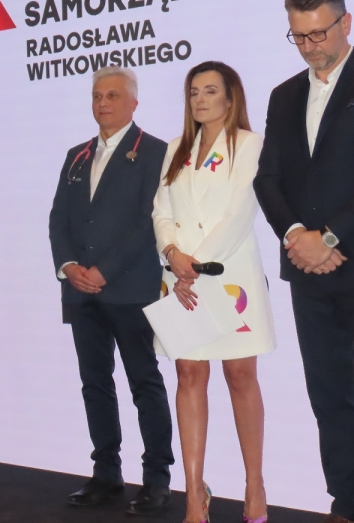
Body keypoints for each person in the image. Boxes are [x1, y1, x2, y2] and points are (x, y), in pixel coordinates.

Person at [153, 62, 275, 523]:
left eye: (209, 91)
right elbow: (160, 209)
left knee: (241, 376)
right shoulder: (175, 149)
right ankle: (193, 494)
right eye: (193, 92)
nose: (200, 100)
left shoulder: (249, 144)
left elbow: (240, 211)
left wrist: (196, 266)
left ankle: (254, 485)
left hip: (229, 276)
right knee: (188, 375)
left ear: (230, 97)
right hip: (180, 277)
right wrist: (173, 254)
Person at [49, 66, 173, 515]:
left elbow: (148, 222)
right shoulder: (76, 155)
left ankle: (157, 479)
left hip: (131, 290)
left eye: (113, 95)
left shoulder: (156, 151)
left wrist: (104, 270)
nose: (103, 103)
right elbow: (58, 219)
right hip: (81, 293)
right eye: (98, 96)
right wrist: (68, 266)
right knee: (95, 384)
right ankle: (106, 474)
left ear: (134, 102)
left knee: (145, 383)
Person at [254, 0, 354, 523]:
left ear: (346, 22)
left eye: (319, 33)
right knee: (328, 394)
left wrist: (329, 237)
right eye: (299, 36)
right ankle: (346, 498)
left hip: (347, 256)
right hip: (308, 271)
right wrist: (296, 235)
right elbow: (268, 179)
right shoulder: (283, 95)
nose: (311, 46)